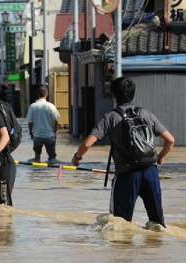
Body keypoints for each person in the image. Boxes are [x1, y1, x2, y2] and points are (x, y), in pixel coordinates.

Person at [71, 77, 175, 227]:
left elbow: (87, 143)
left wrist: (77, 157)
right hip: (151, 172)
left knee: (118, 225)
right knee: (158, 225)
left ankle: (124, 251)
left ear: (114, 96)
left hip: (126, 175)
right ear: (132, 94)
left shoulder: (110, 117)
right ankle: (155, 249)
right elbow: (170, 140)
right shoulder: (146, 114)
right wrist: (159, 158)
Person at [27, 85, 60, 163]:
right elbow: (56, 121)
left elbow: (30, 122)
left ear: (37, 94)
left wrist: (31, 133)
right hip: (49, 136)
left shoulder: (32, 106)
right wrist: (55, 133)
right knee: (52, 159)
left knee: (37, 159)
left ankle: (38, 170)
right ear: (47, 94)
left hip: (37, 136)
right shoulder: (51, 106)